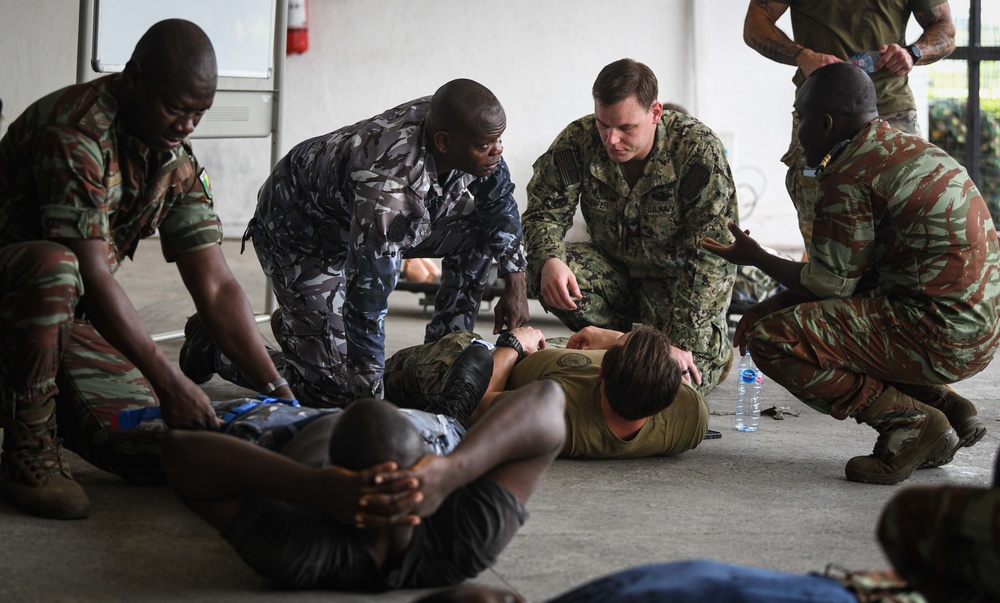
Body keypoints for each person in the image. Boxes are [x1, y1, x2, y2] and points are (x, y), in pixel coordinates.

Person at [0, 20, 293, 520]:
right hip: (23, 296)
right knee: (57, 266)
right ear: (132, 77)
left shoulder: (172, 157)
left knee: (155, 444)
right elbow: (91, 275)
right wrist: (171, 381)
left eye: (198, 113)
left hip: (62, 322)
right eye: (175, 108)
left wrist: (279, 391)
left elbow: (217, 285)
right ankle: (28, 451)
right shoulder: (76, 132)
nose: (186, 126)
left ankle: (54, 402)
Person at [701, 62, 1000, 485]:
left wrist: (756, 257)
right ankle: (947, 406)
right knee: (829, 323)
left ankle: (911, 425)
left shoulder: (847, 173)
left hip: (940, 334)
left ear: (825, 123)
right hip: (981, 329)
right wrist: (774, 300)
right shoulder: (910, 149)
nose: (798, 129)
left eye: (799, 118)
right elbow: (854, 278)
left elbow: (829, 285)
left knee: (772, 338)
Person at [181, 79, 530, 409]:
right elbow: (367, 301)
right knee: (331, 392)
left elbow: (497, 202)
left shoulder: (468, 130)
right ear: (443, 142)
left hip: (362, 219)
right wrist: (369, 402)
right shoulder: (389, 186)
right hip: (300, 235)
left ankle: (441, 354)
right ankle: (216, 347)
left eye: (499, 140)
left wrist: (516, 281)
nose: (498, 150)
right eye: (486, 145)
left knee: (481, 230)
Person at [160, 379, 566, 591]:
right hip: (421, 434)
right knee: (459, 397)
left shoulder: (303, 551)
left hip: (297, 431)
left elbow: (179, 452)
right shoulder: (460, 542)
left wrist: (311, 487)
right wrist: (452, 472)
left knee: (221, 421)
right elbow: (548, 399)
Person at [523, 58, 738, 396]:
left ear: (655, 112)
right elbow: (543, 215)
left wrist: (680, 344)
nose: (611, 139)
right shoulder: (577, 142)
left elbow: (712, 255)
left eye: (626, 128)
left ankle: (704, 351)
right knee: (547, 269)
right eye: (602, 123)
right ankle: (613, 345)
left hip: (679, 284)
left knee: (676, 387)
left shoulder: (696, 151)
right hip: (617, 275)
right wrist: (549, 260)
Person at [743, 0, 957, 249]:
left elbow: (945, 28)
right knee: (824, 234)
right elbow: (755, 22)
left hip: (890, 110)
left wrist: (913, 53)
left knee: (907, 229)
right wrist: (802, 56)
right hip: (821, 116)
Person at [384, 325, 709, 460]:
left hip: (470, 366)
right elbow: (659, 375)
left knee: (376, 376)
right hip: (548, 348)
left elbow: (475, 406)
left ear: (600, 375)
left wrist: (511, 346)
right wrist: (610, 337)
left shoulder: (553, 413)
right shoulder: (689, 416)